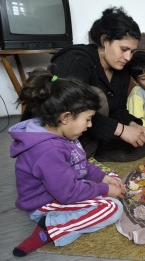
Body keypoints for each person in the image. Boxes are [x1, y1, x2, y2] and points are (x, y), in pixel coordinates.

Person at [10, 67, 126, 257]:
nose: (90, 126)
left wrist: (103, 178)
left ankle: (61, 220)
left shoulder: (62, 132)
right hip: (45, 203)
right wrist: (104, 190)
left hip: (62, 189)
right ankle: (49, 227)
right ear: (65, 117)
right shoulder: (48, 150)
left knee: (111, 180)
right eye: (88, 119)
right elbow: (69, 193)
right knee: (112, 207)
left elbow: (81, 164)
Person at [49, 6, 145, 162]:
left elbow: (117, 109)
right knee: (97, 96)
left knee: (141, 145)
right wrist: (122, 130)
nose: (128, 57)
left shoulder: (121, 69)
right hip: (59, 136)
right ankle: (70, 157)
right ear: (105, 41)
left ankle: (89, 154)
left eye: (132, 51)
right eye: (124, 49)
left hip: (92, 133)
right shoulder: (77, 59)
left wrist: (133, 125)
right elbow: (67, 107)